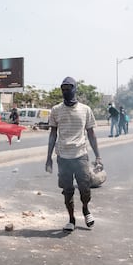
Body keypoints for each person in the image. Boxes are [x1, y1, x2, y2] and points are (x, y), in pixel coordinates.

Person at [45, 77, 102, 232]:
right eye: (63, 89)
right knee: (67, 190)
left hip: (81, 155)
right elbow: (52, 135)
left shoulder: (85, 110)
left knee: (85, 188)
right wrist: (48, 157)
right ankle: (71, 219)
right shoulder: (56, 110)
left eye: (68, 88)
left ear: (75, 89)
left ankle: (85, 209)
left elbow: (91, 134)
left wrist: (98, 156)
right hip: (63, 157)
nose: (66, 91)